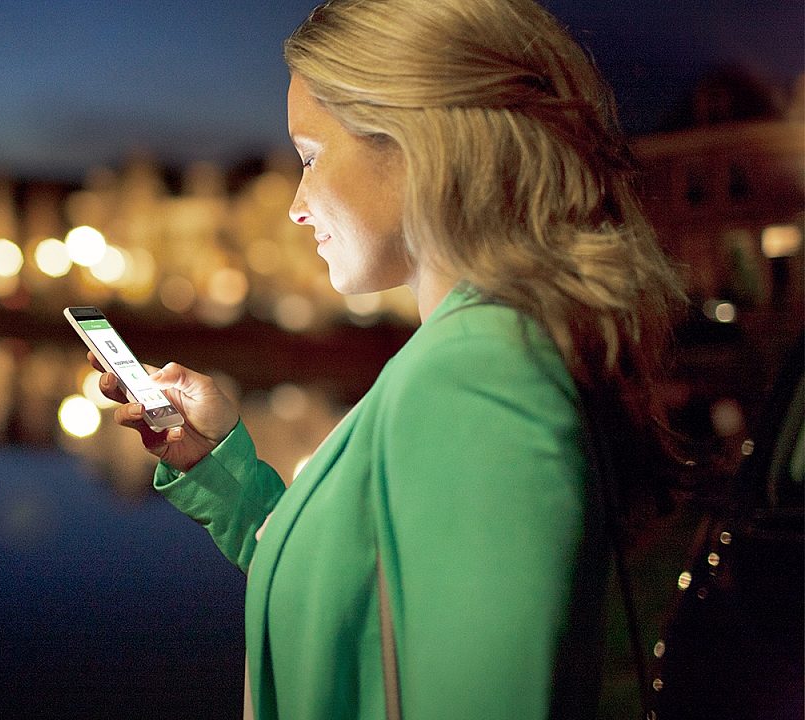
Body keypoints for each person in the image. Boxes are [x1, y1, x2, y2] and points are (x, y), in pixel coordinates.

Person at [93, 0, 683, 717]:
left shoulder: (476, 377)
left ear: (412, 139)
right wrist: (221, 471)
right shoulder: (471, 354)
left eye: (310, 157)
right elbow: (359, 600)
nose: (296, 205)